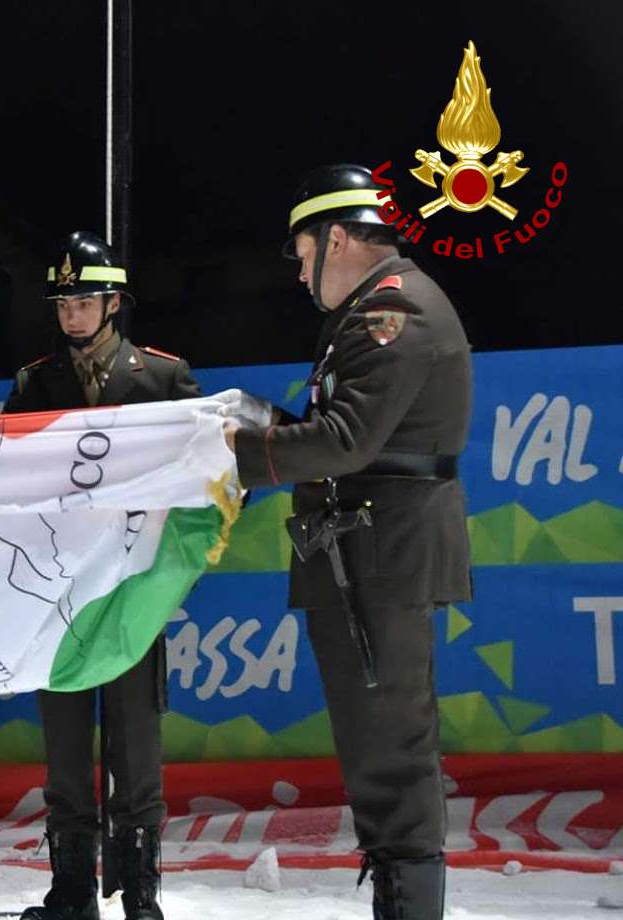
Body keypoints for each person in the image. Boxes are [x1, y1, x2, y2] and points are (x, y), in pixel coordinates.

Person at [222, 164, 472, 920]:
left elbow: (344, 440)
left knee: (390, 745)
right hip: (362, 551)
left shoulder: (393, 311)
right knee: (373, 742)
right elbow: (341, 434)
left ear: (336, 239)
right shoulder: (370, 311)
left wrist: (232, 454)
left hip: (381, 554)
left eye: (303, 255)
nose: (301, 275)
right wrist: (260, 422)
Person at [3, 231, 201, 920]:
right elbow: (5, 481)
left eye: (83, 302)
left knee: (136, 747)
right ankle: (71, 891)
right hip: (58, 597)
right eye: (62, 304)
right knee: (64, 751)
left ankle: (141, 891)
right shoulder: (32, 384)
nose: (71, 315)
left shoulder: (164, 378)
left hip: (132, 591)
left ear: (114, 303)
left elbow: (196, 480)